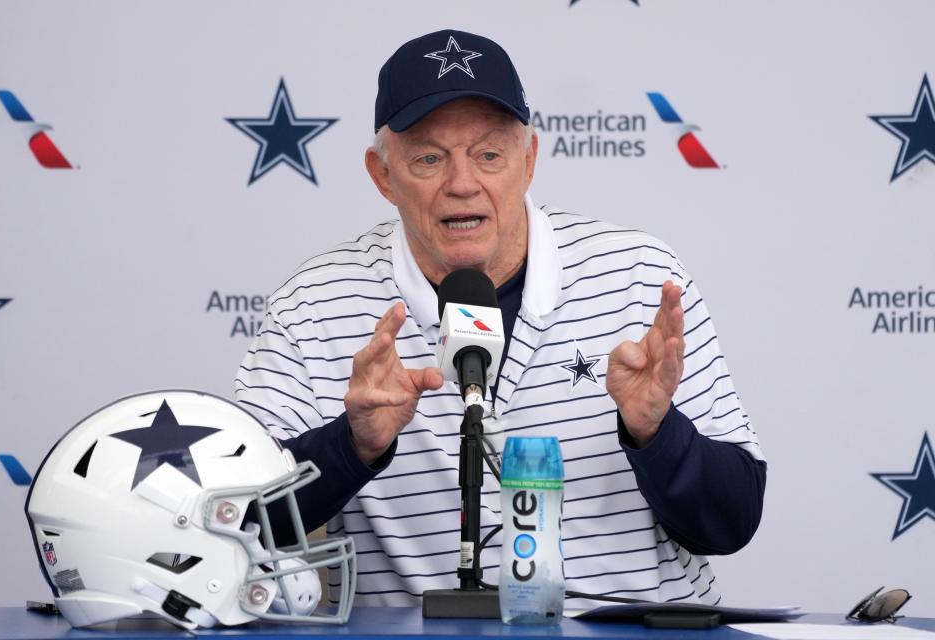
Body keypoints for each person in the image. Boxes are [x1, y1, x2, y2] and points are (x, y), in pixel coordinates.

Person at [235, 29, 766, 608]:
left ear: (529, 160)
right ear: (382, 175)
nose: (462, 185)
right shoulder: (315, 304)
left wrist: (658, 433)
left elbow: (731, 524)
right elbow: (236, 523)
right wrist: (352, 446)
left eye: (489, 154)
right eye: (429, 158)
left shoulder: (637, 276)